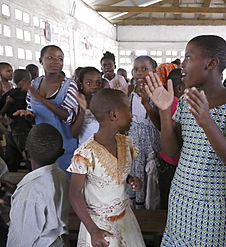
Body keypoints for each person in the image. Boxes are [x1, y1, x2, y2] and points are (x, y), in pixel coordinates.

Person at [145, 35, 226, 246]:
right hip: (180, 198)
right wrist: (165, 111)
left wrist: (207, 122)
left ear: (211, 63)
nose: (182, 64)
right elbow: (172, 149)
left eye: (188, 57)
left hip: (212, 205)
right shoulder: (187, 100)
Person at [68, 88, 145, 247]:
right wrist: (93, 229)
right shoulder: (86, 154)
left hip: (124, 217)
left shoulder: (125, 143)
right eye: (129, 110)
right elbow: (74, 194)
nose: (132, 115)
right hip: (98, 225)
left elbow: (115, 171)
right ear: (114, 115)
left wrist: (130, 179)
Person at [14, 45, 78, 175]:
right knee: (46, 186)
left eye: (60, 59)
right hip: (41, 148)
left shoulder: (69, 85)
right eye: (50, 57)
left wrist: (41, 99)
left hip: (64, 147)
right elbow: (33, 113)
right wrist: (28, 116)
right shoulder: (34, 84)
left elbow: (69, 116)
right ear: (41, 60)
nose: (56, 61)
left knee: (65, 185)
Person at [6, 123, 70, 247]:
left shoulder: (29, 194)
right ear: (61, 153)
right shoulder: (61, 175)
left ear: (26, 154)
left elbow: (21, 239)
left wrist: (21, 196)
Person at [128, 55, 161, 209]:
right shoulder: (131, 89)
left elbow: (160, 124)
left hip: (150, 142)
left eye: (144, 69)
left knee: (150, 175)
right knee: (136, 171)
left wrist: (147, 104)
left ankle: (149, 211)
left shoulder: (158, 92)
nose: (139, 72)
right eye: (136, 69)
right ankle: (136, 208)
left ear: (154, 71)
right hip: (134, 140)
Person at [158, 68, 186, 209]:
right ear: (180, 88)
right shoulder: (177, 105)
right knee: (169, 200)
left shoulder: (175, 103)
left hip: (168, 160)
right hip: (173, 162)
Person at [0, 69, 32, 172]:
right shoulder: (29, 94)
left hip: (10, 129)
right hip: (23, 128)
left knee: (12, 158)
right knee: (29, 156)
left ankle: (9, 179)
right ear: (26, 80)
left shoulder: (10, 93)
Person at [71, 67, 102, 146]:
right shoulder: (77, 105)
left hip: (104, 152)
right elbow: (74, 134)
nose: (94, 86)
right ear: (81, 85)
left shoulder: (105, 104)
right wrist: (83, 110)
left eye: (98, 83)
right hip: (86, 153)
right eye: (89, 83)